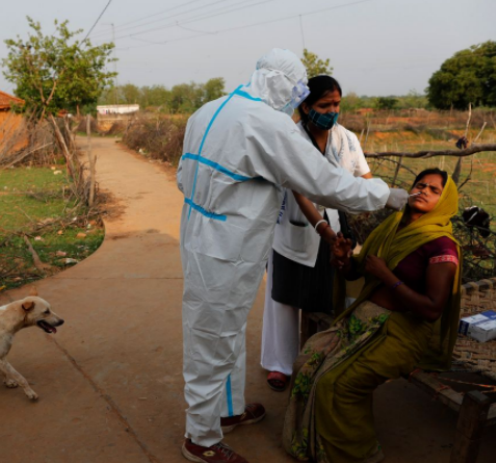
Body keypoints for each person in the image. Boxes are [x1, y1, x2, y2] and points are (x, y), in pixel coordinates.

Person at [177, 48, 408, 463]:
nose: (295, 97)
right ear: (280, 82)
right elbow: (323, 183)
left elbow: (183, 175)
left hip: (201, 233)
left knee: (223, 328)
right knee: (211, 336)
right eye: (296, 88)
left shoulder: (210, 109)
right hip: (227, 245)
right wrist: (384, 194)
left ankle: (224, 411)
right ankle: (200, 438)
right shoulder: (266, 124)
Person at [283, 169, 461, 463]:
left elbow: (432, 309)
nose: (424, 190)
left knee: (338, 384)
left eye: (434, 189)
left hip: (401, 331)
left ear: (445, 201)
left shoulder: (441, 245)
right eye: (420, 184)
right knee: (306, 362)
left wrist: (388, 277)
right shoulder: (391, 226)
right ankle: (313, 443)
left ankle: (359, 455)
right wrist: (342, 259)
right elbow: (359, 270)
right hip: (363, 318)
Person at [260, 75, 373, 392]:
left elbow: (364, 178)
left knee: (326, 296)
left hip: (336, 230)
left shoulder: (347, 139)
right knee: (283, 297)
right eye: (325, 105)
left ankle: (319, 358)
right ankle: (279, 364)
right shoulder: (290, 140)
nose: (332, 111)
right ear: (306, 106)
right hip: (293, 226)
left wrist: (370, 199)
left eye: (337, 104)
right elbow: (300, 192)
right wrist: (324, 229)